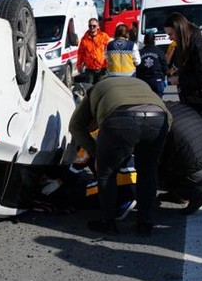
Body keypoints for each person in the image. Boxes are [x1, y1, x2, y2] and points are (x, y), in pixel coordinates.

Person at [69, 76, 172, 236]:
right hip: (158, 118)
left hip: (120, 118)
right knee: (148, 172)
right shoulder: (141, 83)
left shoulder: (95, 89)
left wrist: (95, 151)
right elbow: (169, 119)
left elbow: (75, 126)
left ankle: (108, 223)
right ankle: (144, 223)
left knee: (107, 174)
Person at [158, 101, 202, 214]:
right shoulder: (181, 107)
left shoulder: (162, 120)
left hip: (199, 169)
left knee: (156, 167)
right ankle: (177, 194)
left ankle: (192, 195)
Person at [76, 18, 111, 84]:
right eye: (90, 26)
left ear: (98, 26)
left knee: (100, 88)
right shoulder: (84, 39)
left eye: (94, 26)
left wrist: (110, 64)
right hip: (89, 69)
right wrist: (79, 65)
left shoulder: (104, 36)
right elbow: (80, 53)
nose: (92, 27)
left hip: (102, 68)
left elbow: (109, 51)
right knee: (89, 89)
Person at [136, 30, 169, 96]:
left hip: (143, 81)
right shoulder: (160, 52)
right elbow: (164, 67)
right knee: (158, 101)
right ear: (154, 40)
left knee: (146, 101)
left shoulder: (140, 52)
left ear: (144, 41)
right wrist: (165, 75)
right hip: (157, 80)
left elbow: (137, 66)